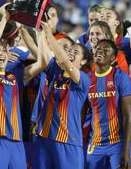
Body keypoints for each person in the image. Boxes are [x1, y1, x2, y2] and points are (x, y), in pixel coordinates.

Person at [0, 4, 42, 168]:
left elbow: (43, 61)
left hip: (16, 140)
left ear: (9, 55)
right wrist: (5, 18)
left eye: (4, 51)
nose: (0, 54)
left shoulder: (16, 76)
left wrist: (25, 29)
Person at [31, 21, 91, 169]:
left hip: (68, 141)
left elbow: (63, 59)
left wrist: (49, 33)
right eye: (69, 50)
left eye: (75, 52)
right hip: (44, 138)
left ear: (83, 61)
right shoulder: (56, 72)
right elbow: (44, 58)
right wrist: (40, 34)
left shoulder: (83, 79)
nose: (70, 52)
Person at [84, 39, 131, 169]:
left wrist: (127, 151)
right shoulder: (86, 79)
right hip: (95, 143)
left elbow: (128, 116)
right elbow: (81, 115)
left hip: (118, 142)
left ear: (112, 58)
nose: (100, 51)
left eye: (106, 50)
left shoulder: (120, 77)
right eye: (98, 49)